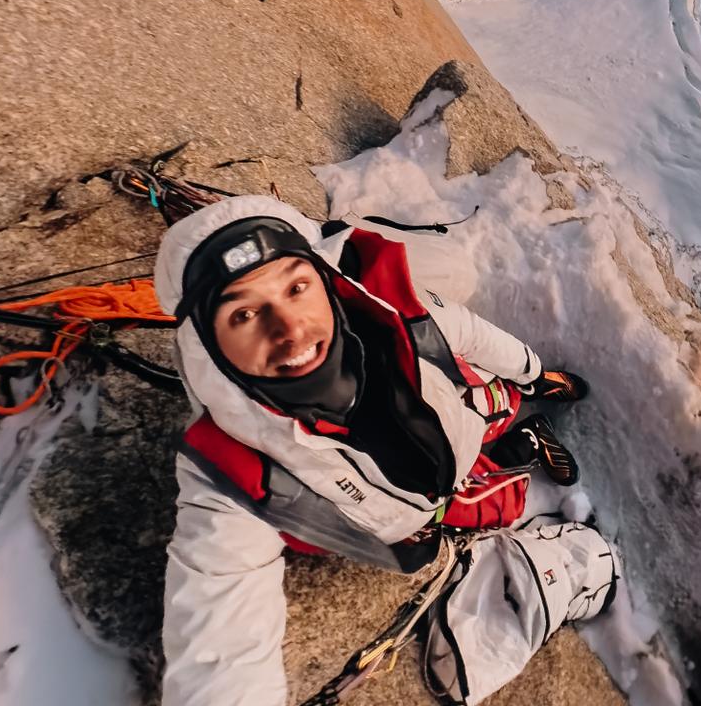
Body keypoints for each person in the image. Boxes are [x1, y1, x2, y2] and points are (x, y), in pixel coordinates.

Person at [152, 195, 589, 706]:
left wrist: (533, 371)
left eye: (296, 287)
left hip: (455, 423)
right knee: (502, 502)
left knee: (492, 400)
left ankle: (519, 401)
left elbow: (469, 333)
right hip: (417, 512)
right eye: (244, 313)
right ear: (207, 342)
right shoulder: (229, 480)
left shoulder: (394, 310)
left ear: (327, 280)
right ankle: (526, 445)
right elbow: (219, 643)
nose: (288, 328)